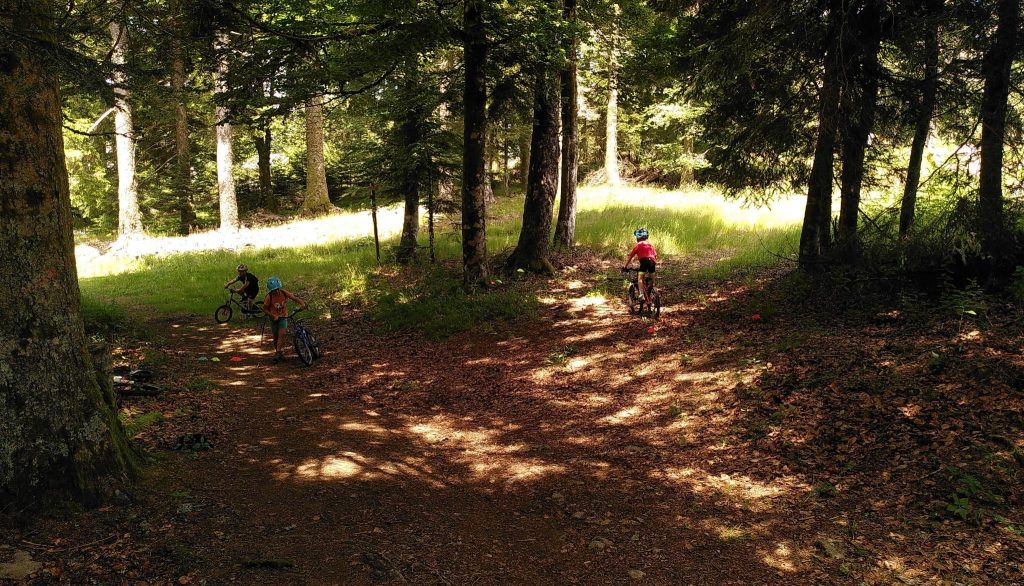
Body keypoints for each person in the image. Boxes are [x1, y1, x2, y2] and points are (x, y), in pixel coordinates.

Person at [262, 276, 307, 363]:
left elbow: (294, 298)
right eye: (275, 290)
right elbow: (264, 309)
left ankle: (277, 353)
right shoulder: (269, 297)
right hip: (273, 319)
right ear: (271, 290)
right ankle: (279, 353)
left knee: (282, 334)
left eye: (278, 289)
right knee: (276, 336)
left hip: (283, 317)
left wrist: (302, 303)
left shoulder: (283, 293)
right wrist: (273, 315)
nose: (277, 291)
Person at [623, 227, 657, 303]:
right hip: (652, 262)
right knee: (651, 278)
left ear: (637, 237)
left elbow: (630, 257)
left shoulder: (638, 245)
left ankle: (641, 294)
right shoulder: (650, 245)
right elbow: (655, 255)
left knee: (640, 278)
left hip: (644, 262)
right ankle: (652, 290)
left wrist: (625, 266)